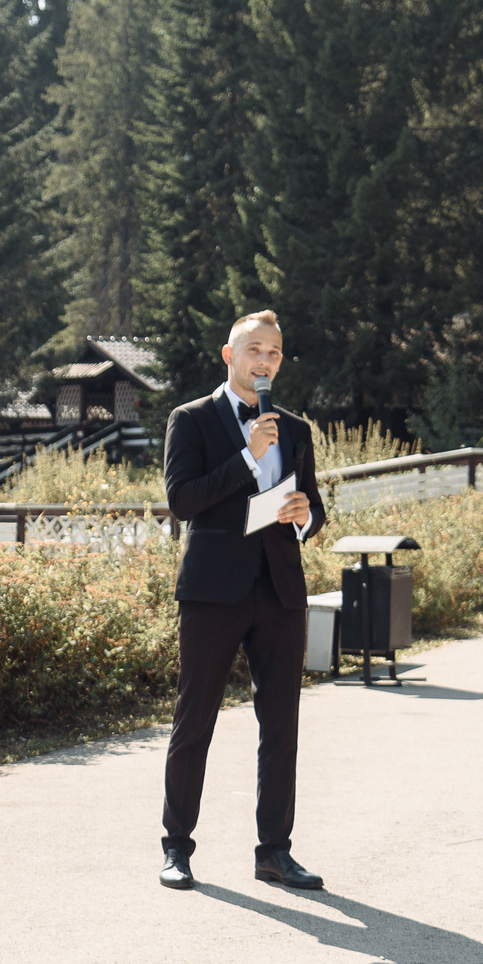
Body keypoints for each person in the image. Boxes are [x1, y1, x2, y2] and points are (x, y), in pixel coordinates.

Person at [159, 311, 329, 893]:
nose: (264, 361)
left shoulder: (296, 429)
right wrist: (247, 457)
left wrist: (307, 517)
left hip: (280, 591)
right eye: (254, 350)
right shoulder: (192, 420)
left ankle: (275, 853)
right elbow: (183, 500)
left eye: (274, 353)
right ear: (228, 355)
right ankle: (177, 848)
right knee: (195, 720)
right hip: (212, 592)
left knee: (281, 725)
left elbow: (314, 508)